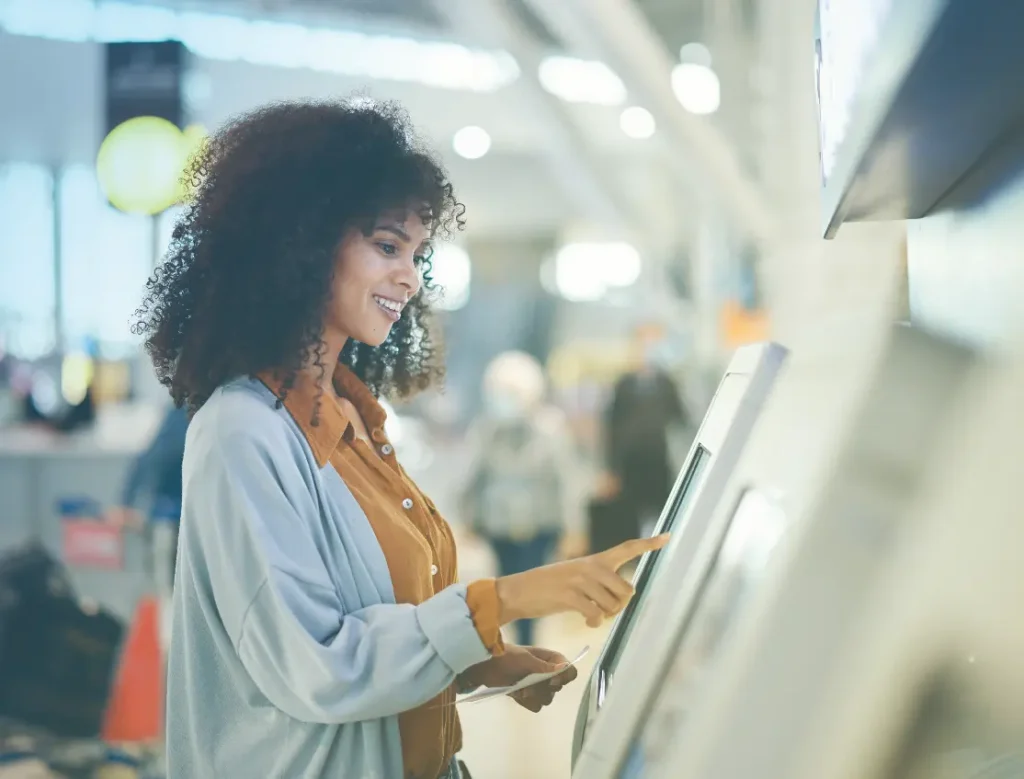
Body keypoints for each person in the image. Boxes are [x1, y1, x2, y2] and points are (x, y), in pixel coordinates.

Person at [133, 99, 668, 779]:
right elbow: (320, 665)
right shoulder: (242, 432)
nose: (410, 276)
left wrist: (475, 660)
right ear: (301, 239)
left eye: (417, 253)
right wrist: (507, 601)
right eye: (387, 246)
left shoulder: (353, 417)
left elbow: (374, 627)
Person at [461, 351, 587, 646]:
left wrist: (574, 527)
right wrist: (467, 518)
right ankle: (515, 643)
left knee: (530, 589)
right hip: (499, 526)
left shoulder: (551, 429)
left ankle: (526, 644)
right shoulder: (486, 430)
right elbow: (471, 477)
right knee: (505, 587)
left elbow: (567, 481)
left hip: (540, 525)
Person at [596, 321, 693, 547]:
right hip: (629, 463)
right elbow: (611, 429)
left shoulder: (667, 384)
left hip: (658, 461)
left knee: (661, 512)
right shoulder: (624, 385)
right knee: (629, 516)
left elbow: (682, 420)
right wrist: (610, 470)